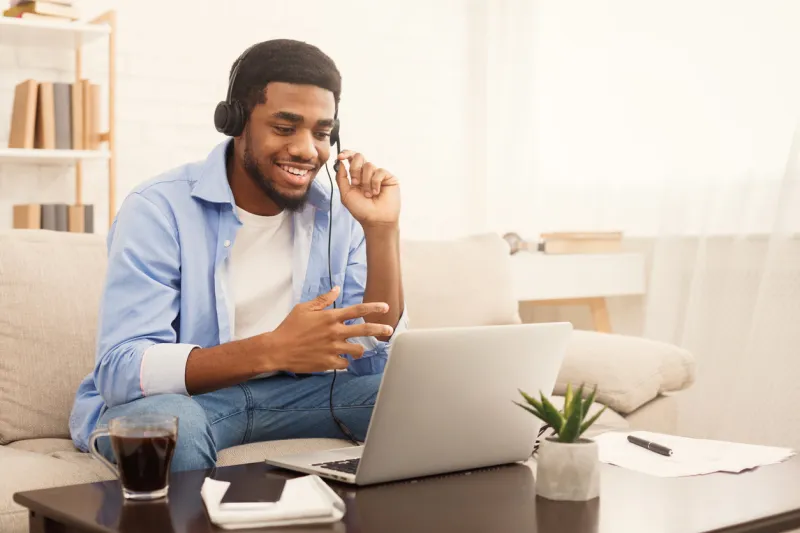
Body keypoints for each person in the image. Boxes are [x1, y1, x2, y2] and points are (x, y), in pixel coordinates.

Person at [68, 39, 407, 472]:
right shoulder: (158, 208)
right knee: (173, 433)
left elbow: (373, 353)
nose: (307, 149)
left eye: (321, 133)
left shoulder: (338, 215)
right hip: (185, 404)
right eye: (285, 128)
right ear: (235, 123)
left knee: (423, 400)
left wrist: (381, 231)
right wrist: (272, 350)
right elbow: (121, 368)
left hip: (297, 395)